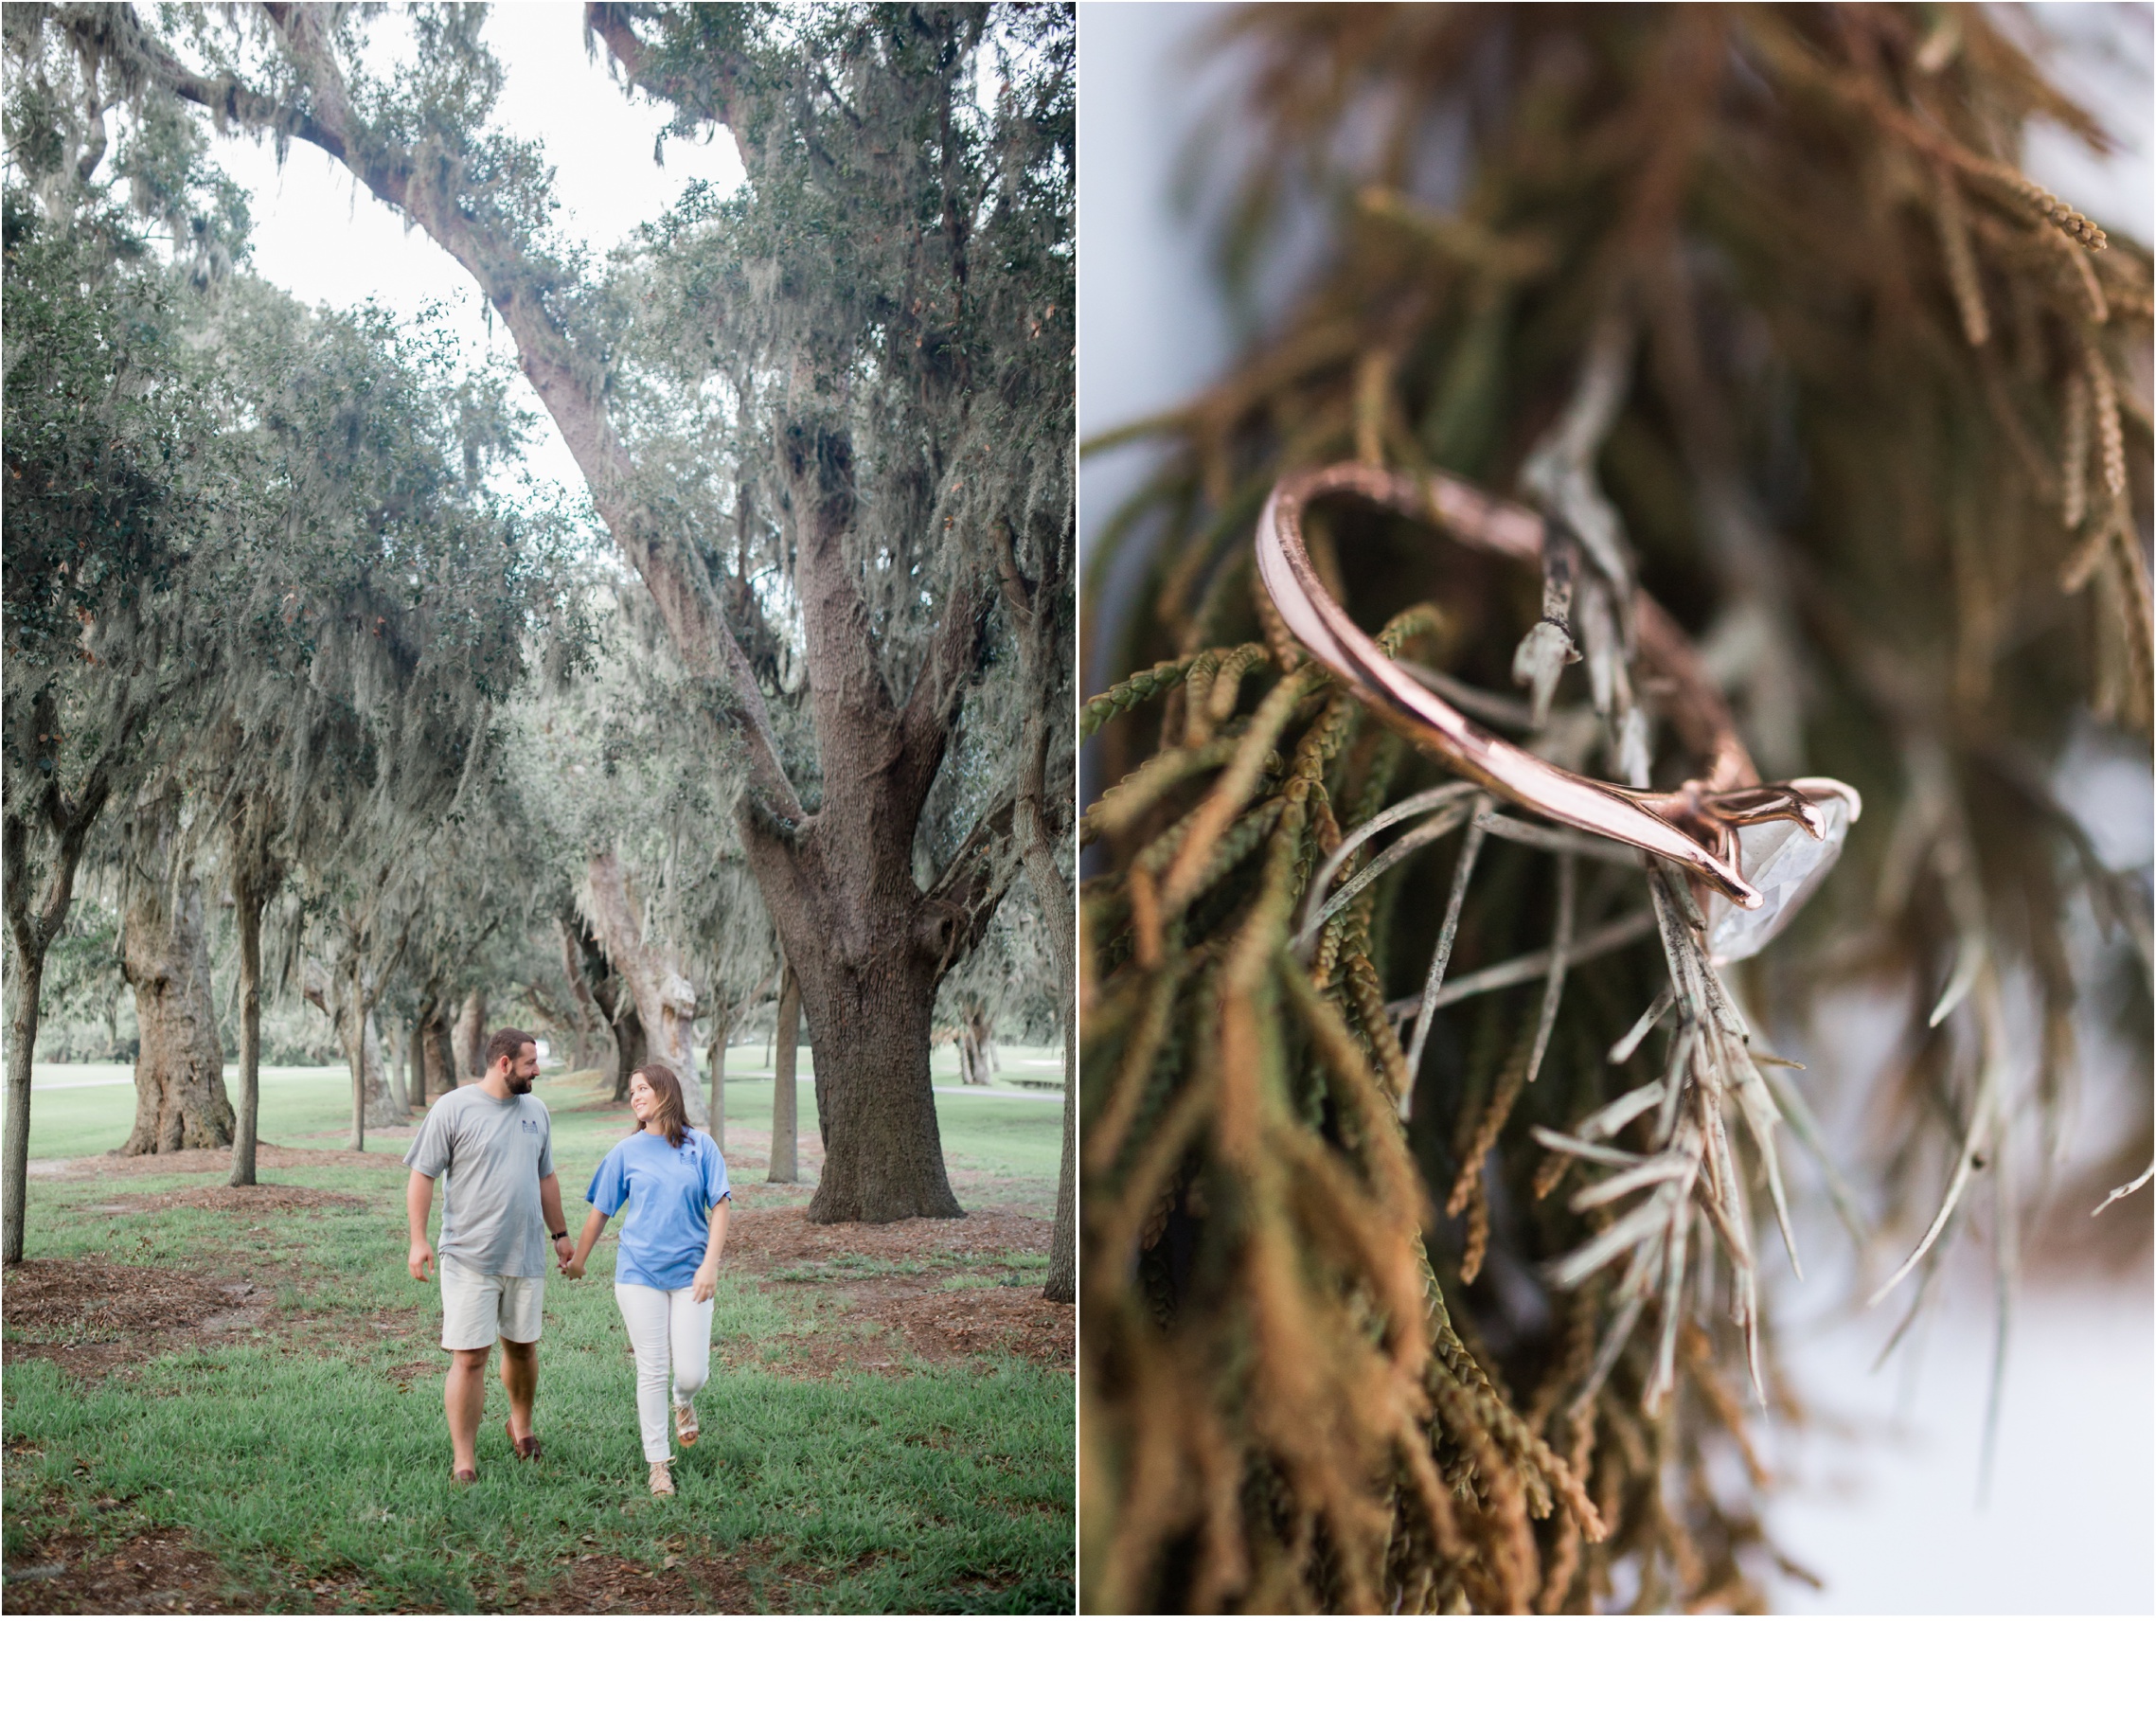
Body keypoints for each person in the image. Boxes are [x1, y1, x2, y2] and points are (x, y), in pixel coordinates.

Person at [404, 1028, 574, 1485]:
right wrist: (418, 1239)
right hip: (468, 1255)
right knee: (470, 1357)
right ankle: (465, 1462)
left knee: (522, 1348)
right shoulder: (453, 1108)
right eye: (530, 1063)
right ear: (503, 1064)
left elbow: (547, 1178)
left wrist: (560, 1234)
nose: (537, 1071)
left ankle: (521, 1427)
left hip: (526, 1254)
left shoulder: (536, 1111)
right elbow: (422, 1175)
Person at [562, 1062, 731, 1498]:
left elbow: (721, 1207)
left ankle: (684, 1400)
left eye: (644, 1089)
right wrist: (579, 1260)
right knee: (652, 1367)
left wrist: (710, 1265)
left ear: (666, 1093)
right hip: (638, 1274)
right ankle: (658, 1463)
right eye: (632, 1090)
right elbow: (600, 1211)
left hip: (692, 1274)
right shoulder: (626, 1152)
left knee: (692, 1373)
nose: (636, 1096)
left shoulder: (701, 1147)